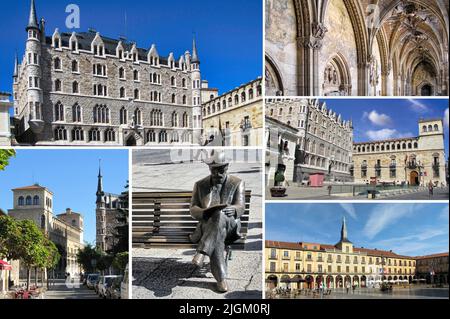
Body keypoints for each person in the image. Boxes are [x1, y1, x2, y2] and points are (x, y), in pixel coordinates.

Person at [189, 150, 246, 293]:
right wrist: (203, 212)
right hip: (209, 227)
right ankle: (221, 280)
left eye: (220, 171)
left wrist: (234, 209)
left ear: (226, 167)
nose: (217, 175)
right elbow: (193, 208)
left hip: (230, 226)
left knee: (220, 215)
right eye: (214, 171)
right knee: (217, 234)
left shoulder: (237, 183)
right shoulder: (200, 185)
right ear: (210, 169)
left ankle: (202, 252)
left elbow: (241, 205)